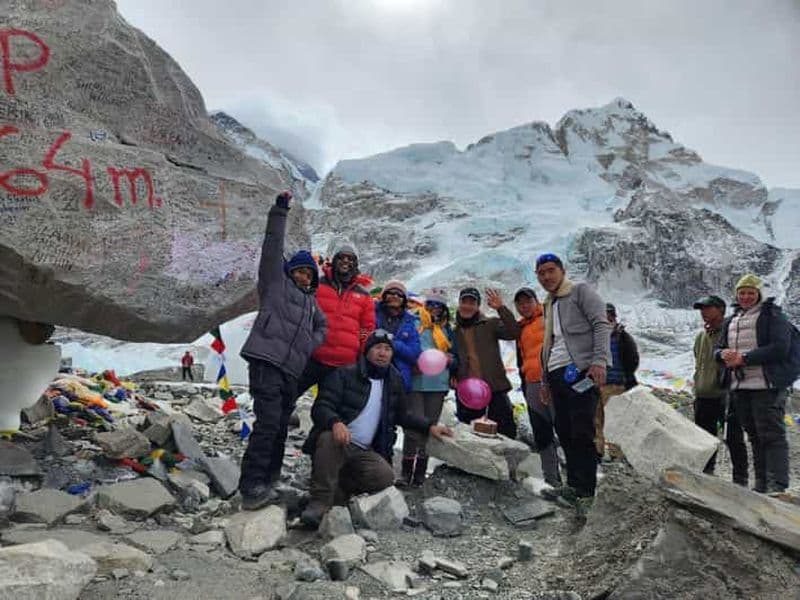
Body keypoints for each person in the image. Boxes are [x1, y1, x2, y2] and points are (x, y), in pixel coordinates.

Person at [300, 330, 453, 526]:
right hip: (339, 442)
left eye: (388, 349)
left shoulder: (393, 379)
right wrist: (335, 422)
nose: (383, 353)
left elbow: (403, 415)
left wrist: (430, 426)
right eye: (378, 348)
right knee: (329, 438)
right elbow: (322, 406)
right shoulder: (345, 373)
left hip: (364, 449)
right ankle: (319, 502)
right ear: (367, 351)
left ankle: (340, 489)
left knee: (385, 476)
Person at [237, 191, 328, 510]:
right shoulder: (275, 282)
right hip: (266, 361)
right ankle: (251, 487)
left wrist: (309, 345)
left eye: (308, 273)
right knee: (268, 423)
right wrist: (279, 211)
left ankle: (270, 479)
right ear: (291, 271)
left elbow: (323, 328)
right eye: (300, 270)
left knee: (279, 424)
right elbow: (272, 247)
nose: (303, 276)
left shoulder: (311, 304)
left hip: (291, 369)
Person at [537, 253, 609, 519]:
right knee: (564, 431)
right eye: (541, 273)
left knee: (582, 430)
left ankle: (588, 491)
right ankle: (574, 486)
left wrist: (599, 361)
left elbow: (601, 324)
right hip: (556, 374)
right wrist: (545, 380)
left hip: (580, 370)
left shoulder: (580, 292)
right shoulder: (549, 302)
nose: (547, 276)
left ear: (562, 270)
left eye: (551, 270)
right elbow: (549, 343)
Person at [716, 274, 793, 494]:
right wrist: (722, 354)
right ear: (737, 295)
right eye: (742, 293)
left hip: (766, 385)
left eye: (751, 292)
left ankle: (777, 485)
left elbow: (781, 347)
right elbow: (718, 349)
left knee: (771, 434)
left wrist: (745, 358)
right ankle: (761, 485)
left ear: (759, 294)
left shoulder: (772, 316)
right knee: (754, 436)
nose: (746, 297)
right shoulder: (732, 321)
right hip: (740, 387)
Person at [296, 243, 375, 396]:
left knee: (326, 409)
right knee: (286, 396)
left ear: (356, 264)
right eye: (341, 257)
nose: (346, 261)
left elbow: (366, 330)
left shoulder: (365, 296)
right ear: (333, 260)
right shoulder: (316, 284)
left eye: (350, 258)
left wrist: (360, 358)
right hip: (312, 357)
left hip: (343, 364)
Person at [692, 295, 748, 485]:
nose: (704, 313)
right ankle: (706, 474)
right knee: (703, 439)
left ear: (720, 310)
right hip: (702, 395)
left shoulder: (730, 334)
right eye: (702, 309)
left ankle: (740, 479)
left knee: (732, 437)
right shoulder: (701, 336)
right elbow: (698, 362)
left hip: (724, 395)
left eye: (708, 308)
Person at [403, 288, 457, 486]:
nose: (435, 309)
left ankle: (419, 474)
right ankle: (405, 472)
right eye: (431, 304)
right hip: (416, 381)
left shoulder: (448, 330)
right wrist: (412, 362)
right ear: (425, 306)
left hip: (438, 384)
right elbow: (405, 345)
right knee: (413, 426)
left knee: (430, 429)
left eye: (439, 306)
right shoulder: (414, 322)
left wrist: (451, 360)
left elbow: (456, 355)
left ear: (444, 309)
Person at [452, 287, 521, 439]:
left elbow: (515, 333)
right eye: (464, 302)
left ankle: (509, 462)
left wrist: (501, 308)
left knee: (506, 431)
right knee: (469, 435)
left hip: (494, 388)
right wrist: (452, 376)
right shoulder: (453, 332)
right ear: (459, 304)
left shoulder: (491, 324)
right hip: (467, 392)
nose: (467, 306)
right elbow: (451, 357)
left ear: (478, 306)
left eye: (472, 303)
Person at [515, 287, 561, 487]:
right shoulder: (520, 328)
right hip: (532, 383)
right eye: (520, 303)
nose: (524, 306)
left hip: (554, 380)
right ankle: (551, 479)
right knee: (541, 430)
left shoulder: (551, 317)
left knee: (564, 428)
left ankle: (578, 480)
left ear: (536, 301)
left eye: (528, 301)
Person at [594, 303, 639, 458]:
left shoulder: (622, 337)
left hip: (615, 385)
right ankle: (599, 451)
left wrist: (624, 378)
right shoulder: (595, 337)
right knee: (597, 420)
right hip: (596, 385)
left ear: (613, 317)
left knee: (613, 421)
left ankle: (616, 453)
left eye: (607, 316)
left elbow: (633, 359)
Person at [374, 280, 422, 393]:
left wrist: (393, 344)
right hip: (371, 374)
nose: (395, 296)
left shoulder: (409, 322)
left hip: (398, 379)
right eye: (391, 292)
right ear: (384, 295)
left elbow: (415, 353)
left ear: (404, 299)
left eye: (399, 294)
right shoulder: (372, 313)